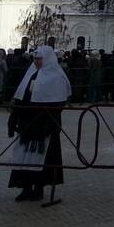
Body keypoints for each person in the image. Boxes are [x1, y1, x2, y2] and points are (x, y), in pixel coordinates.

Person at [7, 45, 71, 202]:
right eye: (35, 59)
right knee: (24, 157)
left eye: (39, 59)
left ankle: (39, 188)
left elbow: (58, 102)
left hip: (44, 125)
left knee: (42, 158)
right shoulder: (30, 74)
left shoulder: (57, 77)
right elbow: (21, 97)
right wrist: (13, 119)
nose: (36, 62)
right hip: (27, 124)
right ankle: (26, 188)